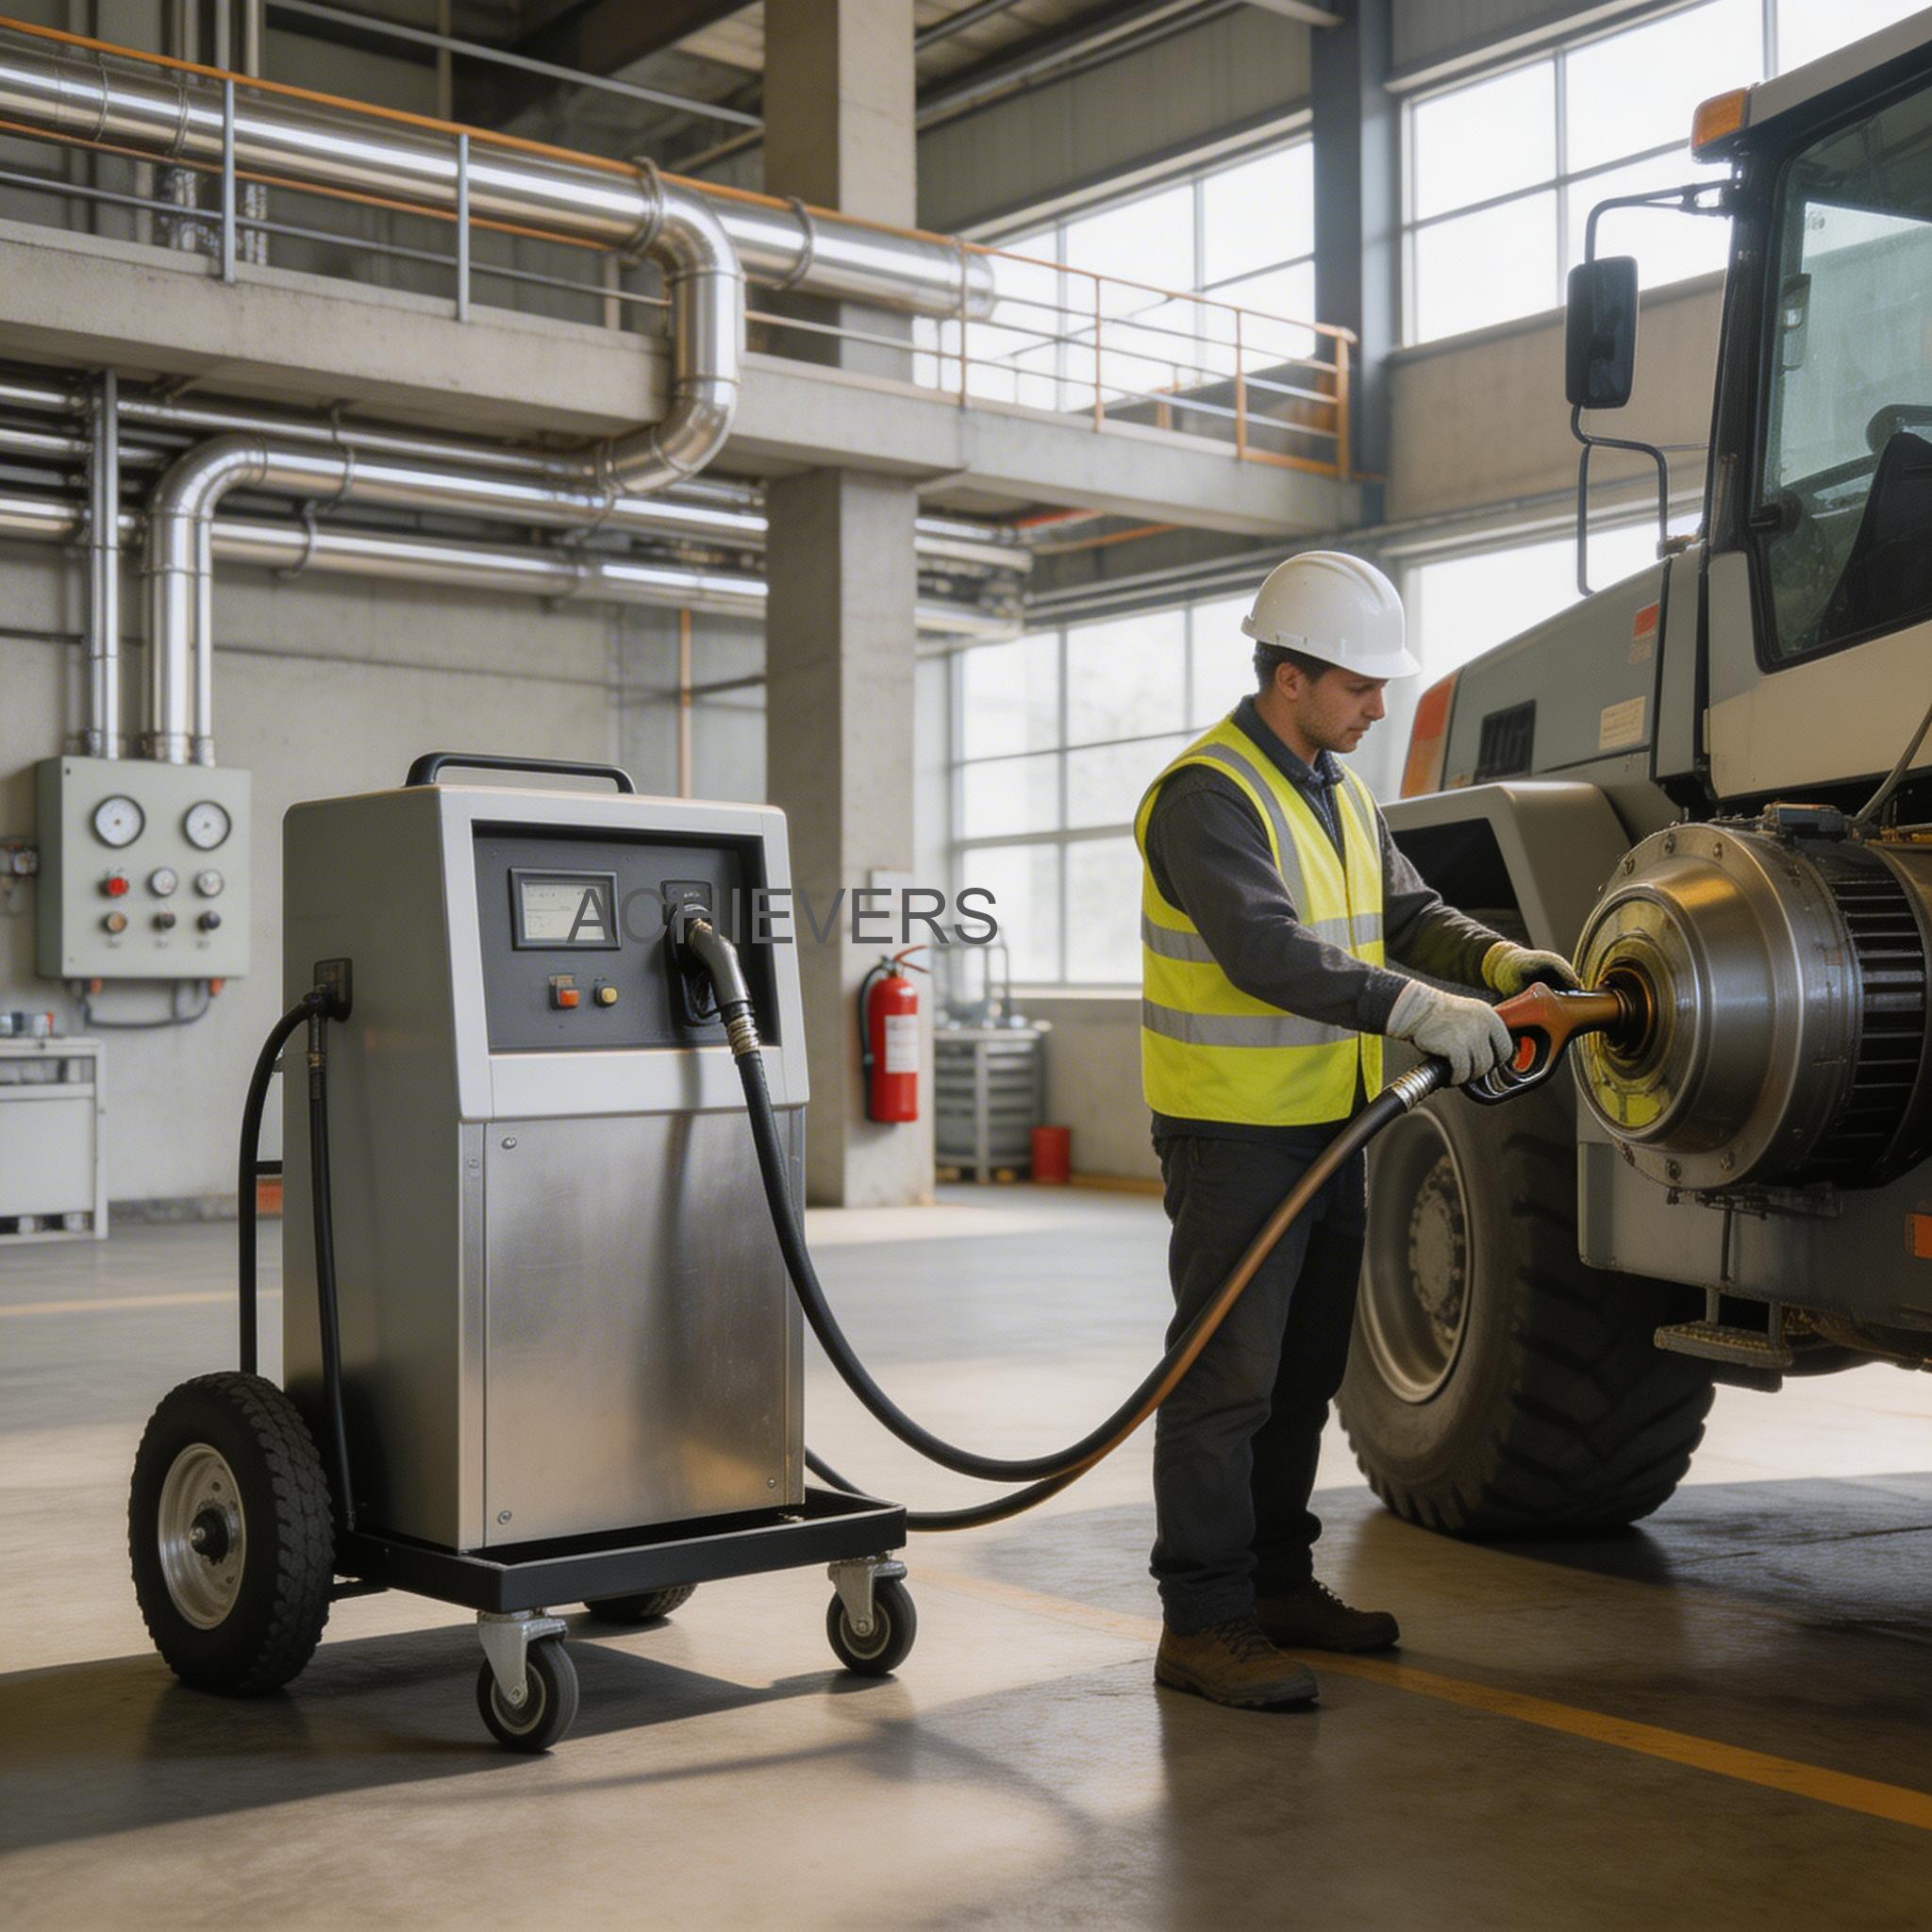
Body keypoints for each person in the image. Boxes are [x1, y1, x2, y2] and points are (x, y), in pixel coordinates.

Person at [1133, 551, 1577, 1709]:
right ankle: (1203, 1619)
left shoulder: (1336, 786)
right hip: (1232, 1136)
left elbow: (1404, 909)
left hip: (1328, 1124)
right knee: (1222, 1383)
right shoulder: (1207, 794)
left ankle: (1277, 1586)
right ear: (1287, 677)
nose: (1379, 705)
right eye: (1358, 685)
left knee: (1300, 1375)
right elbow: (1265, 949)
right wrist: (1416, 1008)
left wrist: (1495, 961)